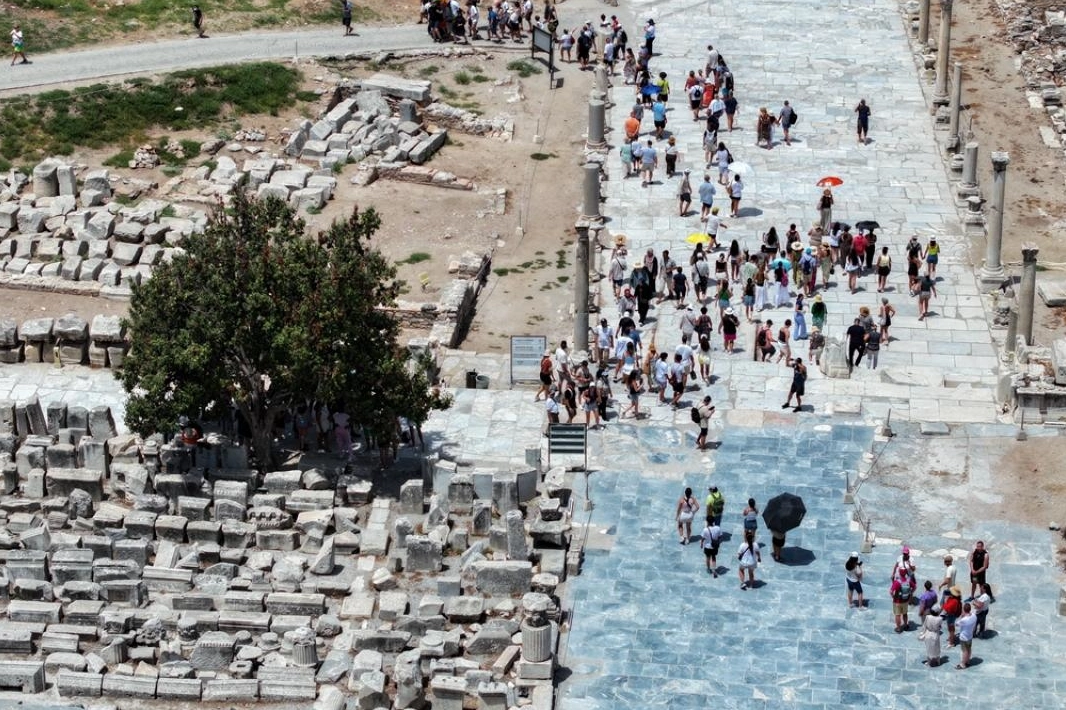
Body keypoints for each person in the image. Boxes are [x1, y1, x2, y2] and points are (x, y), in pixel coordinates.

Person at [890, 565, 915, 632]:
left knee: (897, 615)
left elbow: (891, 591)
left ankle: (898, 628)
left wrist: (893, 597)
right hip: (905, 600)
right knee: (905, 613)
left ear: (899, 572)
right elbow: (914, 587)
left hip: (897, 601)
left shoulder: (897, 582)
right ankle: (906, 625)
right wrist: (910, 593)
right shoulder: (908, 581)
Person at [956, 603, 977, 669]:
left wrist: (961, 616)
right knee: (969, 648)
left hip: (964, 637)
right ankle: (968, 661)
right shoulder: (974, 616)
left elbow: (957, 624)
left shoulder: (964, 620)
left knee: (964, 651)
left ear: (963, 610)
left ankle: (963, 664)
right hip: (970, 636)